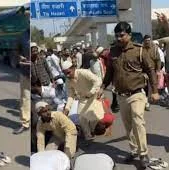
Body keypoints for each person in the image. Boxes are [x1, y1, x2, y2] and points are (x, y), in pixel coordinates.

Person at [97, 22, 159, 168]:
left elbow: (150, 71)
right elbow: (110, 73)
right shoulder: (112, 52)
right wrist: (103, 86)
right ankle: (134, 151)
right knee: (128, 126)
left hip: (136, 93)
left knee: (138, 121)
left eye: (122, 35)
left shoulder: (139, 50)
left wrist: (155, 91)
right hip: (121, 96)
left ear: (129, 35)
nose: (119, 38)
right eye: (117, 35)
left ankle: (143, 154)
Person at [61, 60, 104, 140]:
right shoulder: (68, 81)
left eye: (68, 72)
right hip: (83, 98)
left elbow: (98, 81)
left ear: (73, 68)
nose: (67, 75)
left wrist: (91, 92)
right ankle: (88, 136)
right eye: (65, 73)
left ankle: (92, 130)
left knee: (94, 118)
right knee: (81, 118)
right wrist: (67, 108)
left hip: (94, 96)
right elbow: (70, 96)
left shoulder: (83, 72)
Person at [13, 28, 30, 134]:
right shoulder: (22, 36)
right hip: (25, 72)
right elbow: (16, 51)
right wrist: (21, 57)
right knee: (25, 98)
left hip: (37, 74)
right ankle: (25, 123)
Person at [143, 35, 161, 111]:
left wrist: (158, 70)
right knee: (144, 86)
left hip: (152, 70)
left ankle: (151, 99)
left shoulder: (154, 48)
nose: (147, 41)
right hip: (143, 70)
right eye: (146, 40)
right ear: (144, 41)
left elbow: (158, 60)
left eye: (149, 40)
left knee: (153, 85)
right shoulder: (141, 49)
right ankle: (145, 102)